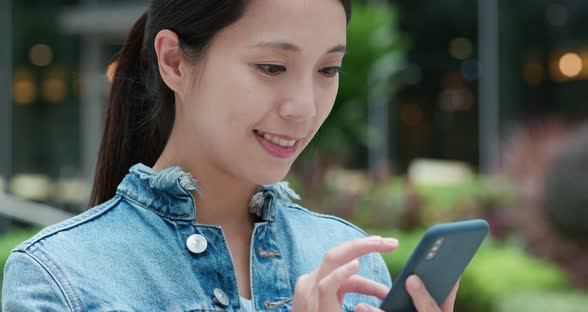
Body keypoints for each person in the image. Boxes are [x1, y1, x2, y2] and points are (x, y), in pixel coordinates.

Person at [2, 1, 460, 311]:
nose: (303, 107)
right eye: (272, 67)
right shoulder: (60, 278)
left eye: (328, 69)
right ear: (175, 62)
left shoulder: (352, 266)